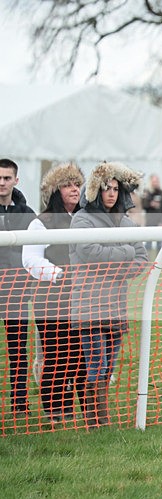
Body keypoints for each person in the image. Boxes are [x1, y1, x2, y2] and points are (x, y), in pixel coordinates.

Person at [70, 162, 149, 428]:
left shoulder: (127, 221)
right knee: (96, 364)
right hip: (89, 304)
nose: (111, 193)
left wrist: (118, 264)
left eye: (115, 188)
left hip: (116, 304)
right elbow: (89, 252)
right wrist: (123, 255)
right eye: (106, 188)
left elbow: (142, 258)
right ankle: (94, 420)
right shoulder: (81, 218)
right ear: (95, 190)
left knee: (109, 367)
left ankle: (101, 419)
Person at [22, 163, 86, 423]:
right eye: (67, 185)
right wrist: (59, 274)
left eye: (76, 184)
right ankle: (55, 409)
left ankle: (84, 408)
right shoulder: (41, 223)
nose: (74, 189)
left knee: (79, 353)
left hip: (83, 297)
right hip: (51, 297)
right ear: (55, 190)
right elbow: (31, 260)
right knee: (56, 352)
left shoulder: (87, 219)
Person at [0, 158, 37, 415]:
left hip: (15, 291)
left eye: (6, 178)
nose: (1, 183)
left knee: (18, 351)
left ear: (16, 180)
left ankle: (19, 403)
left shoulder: (27, 215)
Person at [140, 173, 162, 251]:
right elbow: (143, 206)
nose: (155, 183)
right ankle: (147, 261)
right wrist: (150, 204)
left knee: (159, 244)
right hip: (149, 221)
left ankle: (159, 262)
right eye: (153, 181)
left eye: (156, 181)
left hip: (159, 221)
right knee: (148, 244)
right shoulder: (147, 192)